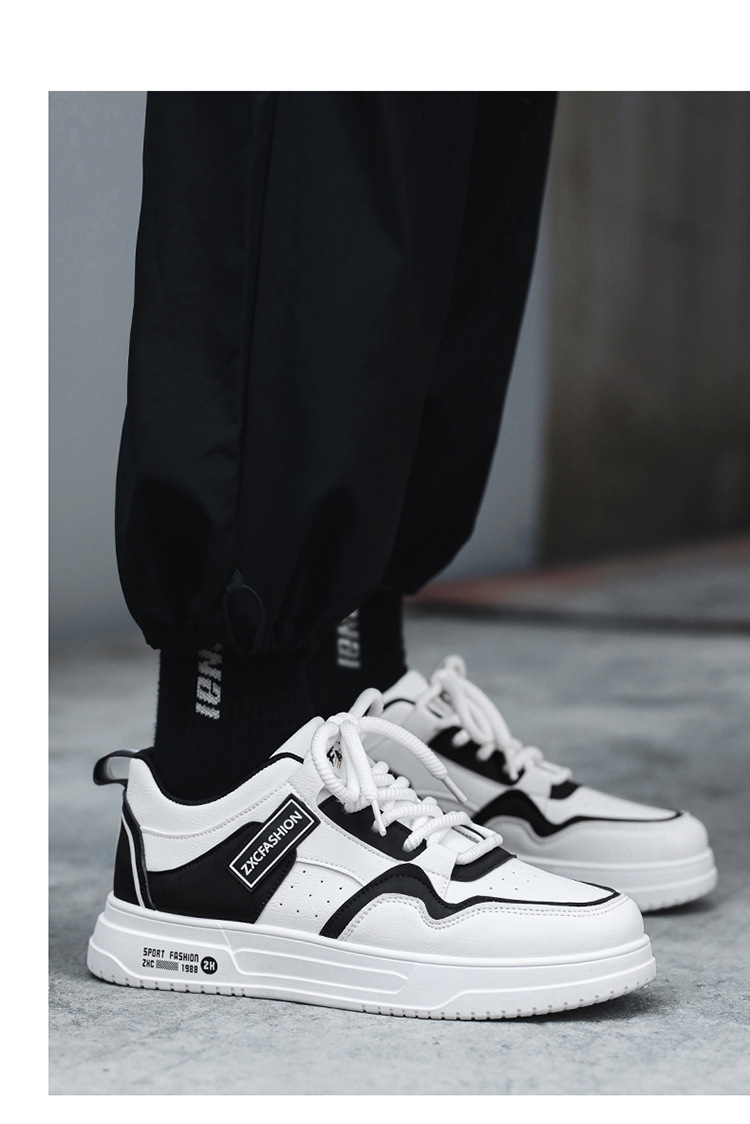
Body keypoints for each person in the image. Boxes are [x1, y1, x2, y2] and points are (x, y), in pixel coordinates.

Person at [87, 93, 714, 1019]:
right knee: (318, 125)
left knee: (459, 143)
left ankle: (356, 694)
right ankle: (224, 778)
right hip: (229, 705)